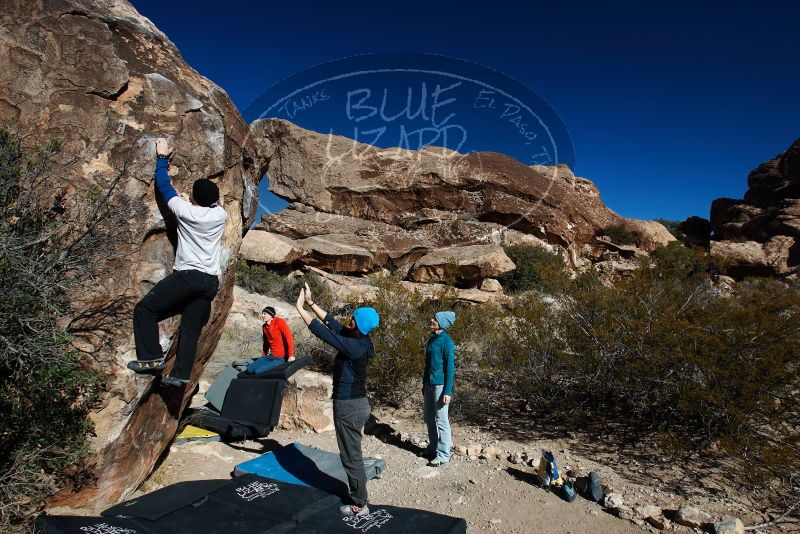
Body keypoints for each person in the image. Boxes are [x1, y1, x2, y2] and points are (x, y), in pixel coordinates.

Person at [127, 138, 227, 387]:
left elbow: (163, 186)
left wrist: (162, 158)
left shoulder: (185, 211)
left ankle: (150, 358)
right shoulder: (220, 215)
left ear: (193, 198)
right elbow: (213, 203)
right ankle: (181, 375)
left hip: (188, 277)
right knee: (191, 330)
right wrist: (192, 199)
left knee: (145, 309)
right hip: (210, 282)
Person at [295, 282, 379, 518]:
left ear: (358, 324)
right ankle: (359, 497)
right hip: (356, 404)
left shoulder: (354, 347)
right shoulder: (359, 339)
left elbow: (323, 332)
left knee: (351, 456)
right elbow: (332, 323)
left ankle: (360, 504)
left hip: (349, 406)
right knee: (352, 453)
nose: (349, 318)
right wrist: (311, 302)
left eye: (353, 317)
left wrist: (300, 309)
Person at [422, 311, 456, 467]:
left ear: (441, 322)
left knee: (442, 420)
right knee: (429, 418)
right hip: (429, 384)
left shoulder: (446, 342)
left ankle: (443, 454)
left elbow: (450, 369)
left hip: (440, 385)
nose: (431, 320)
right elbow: (427, 365)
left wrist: (447, 391)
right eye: (433, 317)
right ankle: (433, 448)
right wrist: (424, 384)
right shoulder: (432, 339)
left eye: (435, 319)